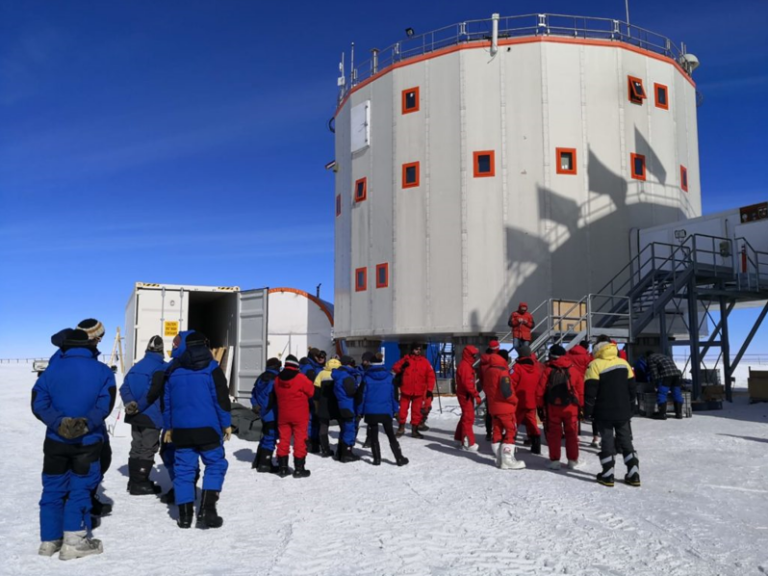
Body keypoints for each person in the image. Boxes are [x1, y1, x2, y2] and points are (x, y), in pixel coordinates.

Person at [32, 329, 115, 559]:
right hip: (87, 442)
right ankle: (74, 542)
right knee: (80, 489)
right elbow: (105, 405)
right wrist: (85, 424)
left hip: (55, 441)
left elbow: (38, 403)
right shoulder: (102, 371)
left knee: (52, 489)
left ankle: (49, 541)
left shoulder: (51, 370)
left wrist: (59, 423)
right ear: (90, 346)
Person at [162, 331, 231, 528]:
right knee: (215, 465)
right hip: (208, 429)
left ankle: (184, 517)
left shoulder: (172, 371)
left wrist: (169, 427)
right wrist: (225, 424)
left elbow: (166, 403)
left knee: (183, 470)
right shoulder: (212, 369)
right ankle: (207, 511)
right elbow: (221, 400)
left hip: (181, 431)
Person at [584, 336, 639, 487]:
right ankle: (634, 474)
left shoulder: (594, 365)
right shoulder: (624, 363)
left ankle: (608, 475)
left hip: (604, 412)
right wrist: (631, 408)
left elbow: (590, 392)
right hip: (623, 411)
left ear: (597, 349)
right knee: (626, 441)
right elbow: (632, 389)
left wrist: (587, 412)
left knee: (607, 442)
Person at [120, 335, 167, 495]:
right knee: (148, 448)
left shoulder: (136, 367)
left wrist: (130, 404)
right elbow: (153, 392)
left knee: (136, 446)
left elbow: (124, 388)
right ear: (162, 351)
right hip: (151, 415)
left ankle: (133, 481)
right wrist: (139, 406)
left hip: (135, 415)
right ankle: (140, 483)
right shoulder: (161, 367)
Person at [76, 319, 113, 517]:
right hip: (87, 423)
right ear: (95, 337)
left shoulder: (87, 357)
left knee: (101, 460)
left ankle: (88, 499)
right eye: (100, 338)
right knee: (90, 463)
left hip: (86, 422)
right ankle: (84, 507)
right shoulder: (83, 359)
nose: (100, 341)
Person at [536, 344, 584, 470]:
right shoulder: (574, 369)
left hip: (553, 407)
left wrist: (540, 406)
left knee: (554, 434)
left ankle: (555, 460)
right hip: (571, 407)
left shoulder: (548, 370)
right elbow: (580, 390)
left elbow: (540, 391)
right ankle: (572, 460)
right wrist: (581, 406)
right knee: (571, 434)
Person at [359, 352, 409, 466]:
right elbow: (394, 396)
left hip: (371, 411)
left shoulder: (366, 377)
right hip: (386, 410)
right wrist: (395, 410)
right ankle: (399, 458)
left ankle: (377, 459)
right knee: (390, 434)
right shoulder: (389, 377)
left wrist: (360, 411)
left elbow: (362, 396)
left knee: (374, 435)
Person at [274, 355, 315, 478]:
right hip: (299, 415)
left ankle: (282, 468)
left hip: (283, 414)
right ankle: (299, 469)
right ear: (297, 366)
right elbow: (311, 391)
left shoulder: (277, 379)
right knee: (300, 440)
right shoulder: (301, 378)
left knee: (283, 440)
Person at [487, 350, 526, 469]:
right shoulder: (503, 372)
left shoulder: (488, 371)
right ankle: (507, 459)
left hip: (493, 407)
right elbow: (506, 391)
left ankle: (499, 458)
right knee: (511, 431)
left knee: (497, 431)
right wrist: (515, 400)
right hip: (505, 407)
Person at [392, 343, 436, 439]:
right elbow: (395, 368)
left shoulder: (425, 362)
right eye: (416, 349)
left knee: (416, 411)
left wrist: (429, 390)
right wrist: (402, 367)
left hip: (419, 392)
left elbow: (431, 377)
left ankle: (414, 430)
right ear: (412, 350)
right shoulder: (406, 359)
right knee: (403, 410)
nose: (418, 351)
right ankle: (401, 428)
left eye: (419, 349)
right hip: (406, 390)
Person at [250, 358, 282, 472]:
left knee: (266, 436)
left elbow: (253, 393)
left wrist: (255, 405)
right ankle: (265, 464)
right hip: (272, 413)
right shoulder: (276, 379)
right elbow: (274, 397)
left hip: (263, 413)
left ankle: (259, 461)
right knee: (270, 437)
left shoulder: (261, 377)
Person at [511, 345, 542, 454]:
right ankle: (536, 446)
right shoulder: (536, 368)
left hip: (519, 400)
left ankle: (510, 445)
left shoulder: (517, 368)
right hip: (532, 401)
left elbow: (511, 384)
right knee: (532, 423)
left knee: (514, 423)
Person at [332, 356, 363, 462]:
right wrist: (358, 389)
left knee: (344, 428)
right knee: (349, 429)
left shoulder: (339, 375)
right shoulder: (347, 376)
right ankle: (347, 453)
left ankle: (340, 452)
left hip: (341, 404)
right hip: (348, 405)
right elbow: (351, 391)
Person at [454, 345, 482, 451]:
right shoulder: (465, 366)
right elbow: (468, 385)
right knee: (468, 418)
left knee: (465, 417)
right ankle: (469, 443)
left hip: (465, 395)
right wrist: (476, 395)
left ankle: (458, 438)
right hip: (466, 395)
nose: (475, 357)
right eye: (473, 355)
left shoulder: (465, 365)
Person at [313, 357, 342, 457]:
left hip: (324, 404)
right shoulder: (341, 373)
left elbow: (316, 392)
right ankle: (342, 449)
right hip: (338, 404)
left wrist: (317, 404)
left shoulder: (321, 374)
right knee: (343, 426)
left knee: (323, 427)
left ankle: (325, 449)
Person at [300, 348, 326, 453]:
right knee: (311, 419)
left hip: (316, 396)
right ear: (312, 356)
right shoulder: (309, 367)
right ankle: (310, 441)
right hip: (310, 397)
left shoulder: (317, 366)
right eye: (318, 357)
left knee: (315, 419)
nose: (321, 359)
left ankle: (314, 439)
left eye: (322, 357)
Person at [646, 351, 684, 420]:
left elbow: (654, 372)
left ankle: (662, 414)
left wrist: (656, 384)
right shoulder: (665, 356)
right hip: (676, 375)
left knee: (662, 393)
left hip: (666, 376)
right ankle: (679, 414)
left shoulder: (650, 358)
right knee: (677, 393)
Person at [478, 340, 500, 441]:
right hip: (499, 390)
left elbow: (481, 377)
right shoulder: (498, 360)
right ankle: (498, 432)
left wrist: (485, 387)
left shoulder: (483, 362)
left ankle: (488, 432)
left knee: (490, 411)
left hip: (488, 390)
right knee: (499, 412)